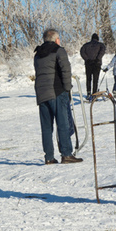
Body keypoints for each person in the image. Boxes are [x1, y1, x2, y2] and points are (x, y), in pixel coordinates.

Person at [34, 29, 82, 165]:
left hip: (42, 94)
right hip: (56, 91)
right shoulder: (59, 50)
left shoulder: (37, 54)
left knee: (46, 127)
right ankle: (66, 154)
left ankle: (49, 157)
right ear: (56, 39)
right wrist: (67, 89)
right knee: (62, 124)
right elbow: (66, 70)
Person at [79, 33, 106, 99]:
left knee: (88, 79)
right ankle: (94, 94)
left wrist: (87, 59)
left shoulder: (86, 45)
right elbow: (103, 51)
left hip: (88, 64)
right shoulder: (100, 45)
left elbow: (82, 52)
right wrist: (98, 58)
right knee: (95, 79)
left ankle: (88, 93)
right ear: (97, 38)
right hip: (97, 64)